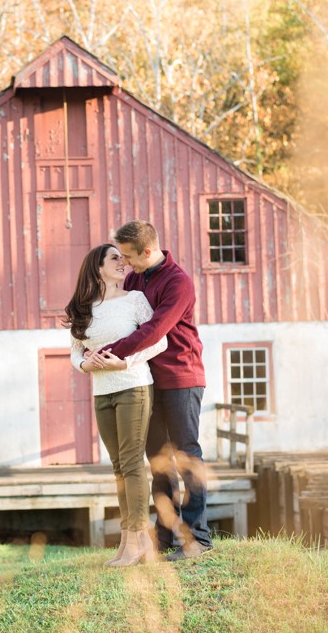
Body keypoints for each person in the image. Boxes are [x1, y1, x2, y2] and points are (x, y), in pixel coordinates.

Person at [98, 220, 212, 561]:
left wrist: (112, 352)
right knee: (158, 460)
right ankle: (164, 539)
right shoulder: (135, 278)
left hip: (181, 378)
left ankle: (198, 540)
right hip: (146, 379)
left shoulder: (179, 283)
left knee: (185, 456)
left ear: (148, 251)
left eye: (129, 257)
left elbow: (153, 330)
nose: (125, 264)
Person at [64, 243, 166, 567]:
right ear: (98, 268)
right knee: (119, 466)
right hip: (102, 392)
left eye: (123, 258)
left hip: (133, 386)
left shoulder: (134, 300)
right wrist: (84, 366)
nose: (122, 262)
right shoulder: (84, 308)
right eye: (114, 258)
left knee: (133, 462)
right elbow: (75, 352)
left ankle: (138, 540)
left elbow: (159, 340)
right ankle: (127, 541)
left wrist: (126, 363)